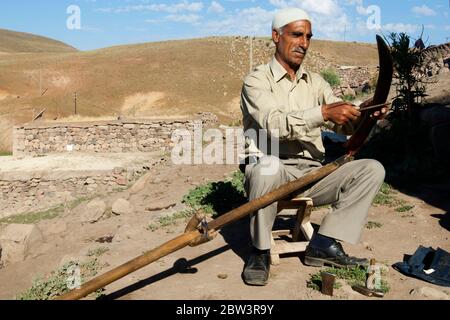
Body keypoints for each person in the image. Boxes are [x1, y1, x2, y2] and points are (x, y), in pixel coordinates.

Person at [239, 8, 387, 286]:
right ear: (276, 36)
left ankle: (324, 243)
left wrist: (363, 114)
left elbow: (343, 125)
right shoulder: (256, 81)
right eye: (297, 35)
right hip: (273, 170)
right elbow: (273, 124)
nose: (304, 43)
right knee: (267, 168)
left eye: (308, 37)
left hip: (313, 174)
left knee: (371, 169)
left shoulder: (316, 82)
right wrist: (322, 113)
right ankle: (259, 250)